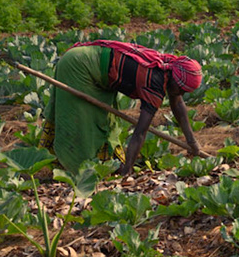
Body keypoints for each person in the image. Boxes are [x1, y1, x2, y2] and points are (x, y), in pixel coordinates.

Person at [48, 40, 203, 174]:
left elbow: (178, 104)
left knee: (107, 120)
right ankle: (76, 168)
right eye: (181, 89)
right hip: (78, 66)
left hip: (92, 64)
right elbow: (140, 133)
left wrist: (192, 142)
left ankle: (104, 164)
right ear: (175, 80)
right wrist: (128, 170)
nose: (181, 93)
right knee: (85, 121)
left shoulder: (169, 69)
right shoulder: (154, 82)